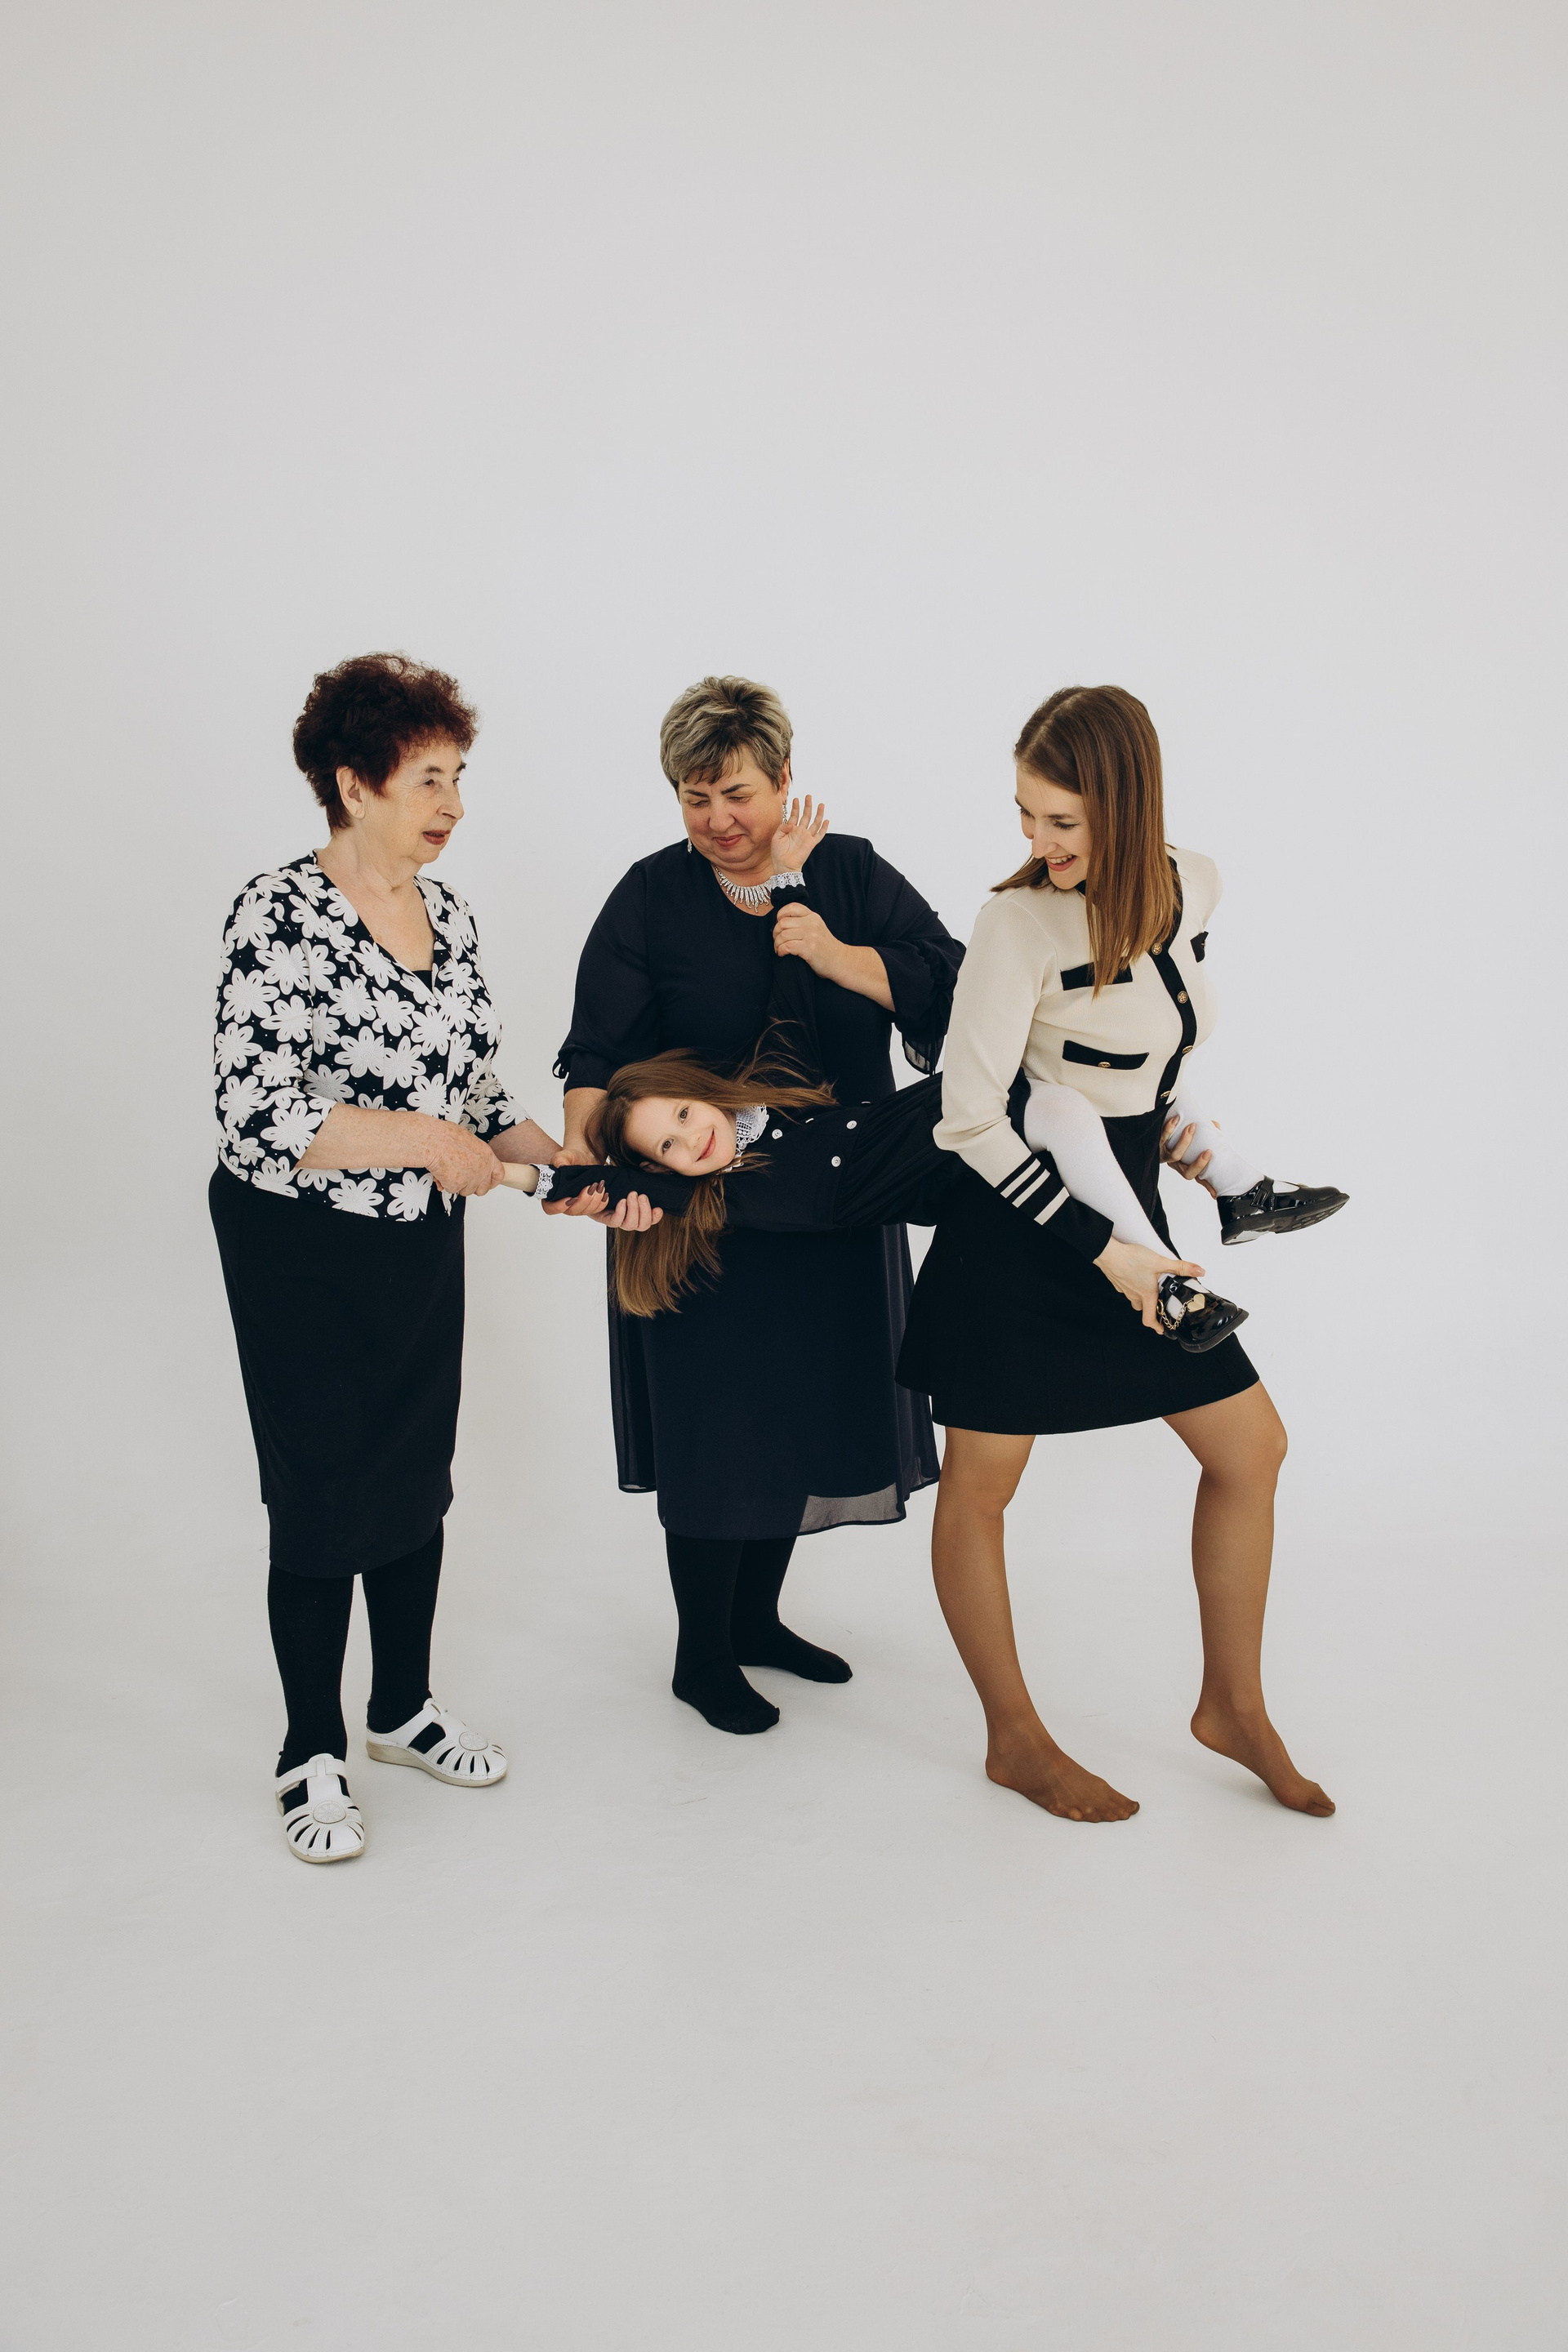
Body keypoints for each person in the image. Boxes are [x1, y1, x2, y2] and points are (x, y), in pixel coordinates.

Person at [896, 684, 1334, 1825]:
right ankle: (1014, 1739)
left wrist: (1184, 1148)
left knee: (1251, 1448)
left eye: (1063, 822)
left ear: (1128, 810)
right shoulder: (1017, 924)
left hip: (1125, 1199)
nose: (1036, 843)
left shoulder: (1195, 885)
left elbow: (1148, 1046)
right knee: (984, 1486)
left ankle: (1232, 1707)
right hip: (1024, 1221)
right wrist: (1104, 1248)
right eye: (1026, 814)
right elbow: (968, 1120)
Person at [551, 675, 963, 1737]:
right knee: (717, 1431)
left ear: (784, 779)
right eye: (694, 800)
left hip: (834, 1202)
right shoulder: (651, 897)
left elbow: (951, 986)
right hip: (696, 1220)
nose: (718, 821)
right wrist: (588, 1161)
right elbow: (595, 1053)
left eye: (736, 793)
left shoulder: (850, 873)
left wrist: (831, 952)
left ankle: (756, 1621)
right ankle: (702, 1653)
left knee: (801, 1414)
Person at [210, 653, 564, 1864]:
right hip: (298, 1245)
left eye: (458, 777)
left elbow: (477, 1091)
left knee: (416, 1468)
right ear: (353, 784)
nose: (453, 804)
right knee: (322, 1488)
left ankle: (401, 1710)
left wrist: (567, 1168)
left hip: (416, 1238)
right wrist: (425, 1139)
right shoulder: (277, 912)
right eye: (428, 780)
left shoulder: (448, 914)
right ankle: (310, 1747)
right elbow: (257, 1114)